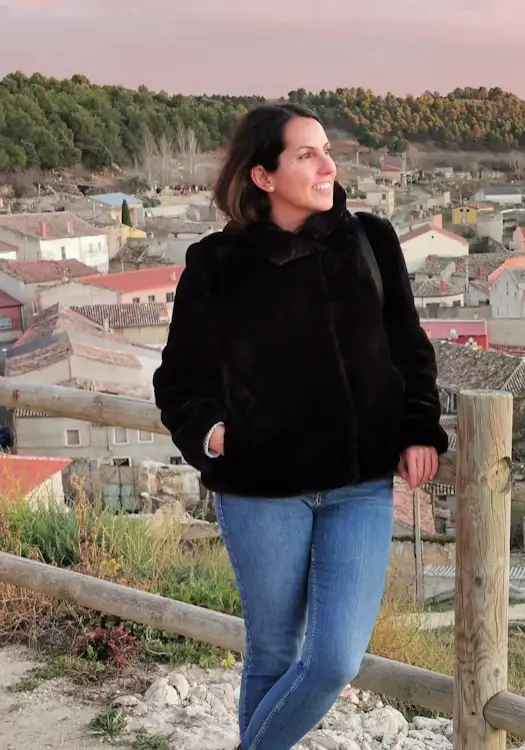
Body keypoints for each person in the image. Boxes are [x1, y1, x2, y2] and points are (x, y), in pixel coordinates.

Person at [152, 103, 448, 750]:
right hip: (261, 491)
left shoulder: (372, 240)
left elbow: (409, 348)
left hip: (360, 485)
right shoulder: (215, 264)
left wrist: (420, 427)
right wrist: (220, 437)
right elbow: (180, 381)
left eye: (326, 150)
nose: (327, 164)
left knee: (335, 661)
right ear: (263, 176)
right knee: (272, 653)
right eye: (307, 154)